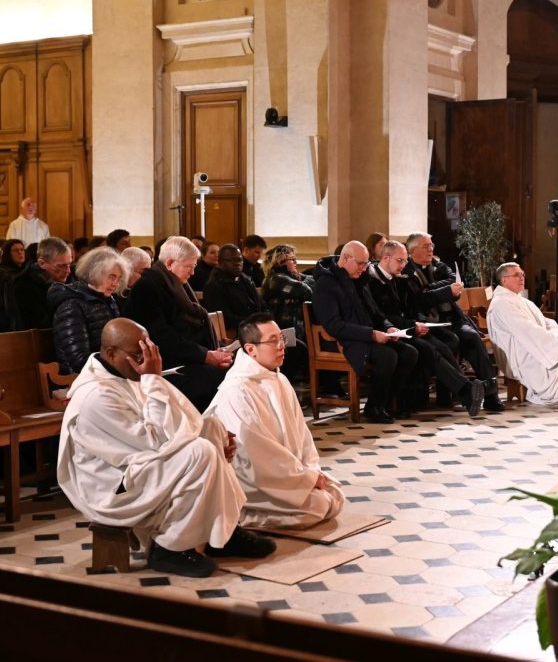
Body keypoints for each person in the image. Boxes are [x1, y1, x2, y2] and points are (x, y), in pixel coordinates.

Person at [57, 318, 275, 578]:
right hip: (111, 484)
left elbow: (183, 420)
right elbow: (159, 441)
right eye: (138, 354)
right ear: (111, 353)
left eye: (149, 351)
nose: (146, 360)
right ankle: (169, 548)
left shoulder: (122, 373)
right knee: (199, 452)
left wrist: (217, 438)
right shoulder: (97, 395)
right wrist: (152, 378)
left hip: (136, 463)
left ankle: (223, 533)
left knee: (211, 428)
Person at [205, 314, 344, 529]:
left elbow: (301, 434)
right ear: (251, 349)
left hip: (286, 474)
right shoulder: (237, 390)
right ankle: (243, 515)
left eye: (281, 339)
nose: (281, 347)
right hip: (252, 480)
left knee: (334, 494)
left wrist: (310, 470)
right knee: (318, 505)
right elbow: (256, 453)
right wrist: (305, 479)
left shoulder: (278, 378)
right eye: (273, 341)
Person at [366, 240, 484, 416]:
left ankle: (464, 393)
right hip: (390, 332)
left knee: (444, 344)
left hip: (407, 328)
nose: (404, 265)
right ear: (386, 257)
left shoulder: (398, 278)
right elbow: (383, 316)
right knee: (428, 349)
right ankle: (467, 391)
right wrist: (413, 325)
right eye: (400, 260)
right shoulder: (372, 281)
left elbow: (414, 305)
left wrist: (419, 322)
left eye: (405, 261)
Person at [310, 240, 418, 423]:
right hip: (341, 341)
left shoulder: (359, 280)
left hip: (362, 335)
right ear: (345, 258)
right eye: (361, 263)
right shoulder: (326, 284)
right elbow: (334, 326)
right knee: (387, 356)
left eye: (366, 264)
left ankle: (384, 403)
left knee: (409, 352)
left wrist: (387, 327)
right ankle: (374, 408)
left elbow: (375, 312)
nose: (364, 268)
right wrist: (371, 334)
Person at [126, 236, 232, 411]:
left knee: (238, 371)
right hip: (167, 366)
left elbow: (196, 325)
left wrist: (215, 350)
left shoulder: (175, 283)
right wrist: (205, 355)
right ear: (170, 263)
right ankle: (209, 430)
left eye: (194, 266)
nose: (193, 273)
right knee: (220, 378)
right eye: (189, 267)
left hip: (189, 358)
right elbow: (162, 337)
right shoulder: (147, 288)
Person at [403, 232, 503, 411]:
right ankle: (456, 393)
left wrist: (430, 288)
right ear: (412, 251)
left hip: (452, 318)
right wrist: (445, 291)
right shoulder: (407, 271)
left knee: (471, 337)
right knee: (451, 340)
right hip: (428, 322)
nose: (431, 249)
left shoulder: (439, 266)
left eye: (431, 245)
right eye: (426, 246)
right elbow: (419, 299)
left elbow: (453, 281)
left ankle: (491, 395)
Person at [487, 263, 558, 407]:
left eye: (522, 274)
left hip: (532, 347)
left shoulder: (521, 301)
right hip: (521, 357)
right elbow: (529, 331)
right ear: (504, 280)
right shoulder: (501, 304)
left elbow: (546, 324)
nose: (522, 277)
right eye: (516, 275)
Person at [49, 247, 125, 374]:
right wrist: (121, 364)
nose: (116, 283)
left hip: (105, 372)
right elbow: (79, 360)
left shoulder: (108, 299)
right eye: (112, 277)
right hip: (80, 378)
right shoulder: (71, 306)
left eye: (119, 278)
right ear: (94, 272)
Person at [13, 236, 73, 329]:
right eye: (62, 266)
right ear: (42, 263)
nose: (68, 271)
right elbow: (39, 324)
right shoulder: (23, 285)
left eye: (69, 264)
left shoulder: (69, 279)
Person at [202, 244, 264, 331]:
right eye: (231, 260)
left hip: (253, 327)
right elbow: (226, 319)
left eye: (240, 260)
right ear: (220, 262)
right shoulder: (214, 285)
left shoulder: (245, 279)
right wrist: (255, 321)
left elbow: (261, 305)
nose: (237, 264)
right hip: (235, 332)